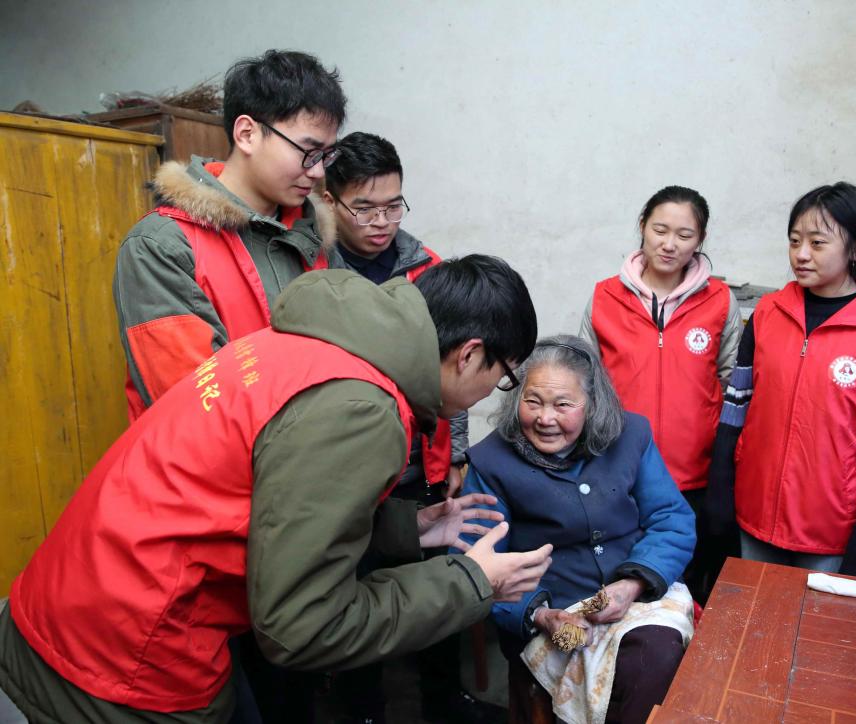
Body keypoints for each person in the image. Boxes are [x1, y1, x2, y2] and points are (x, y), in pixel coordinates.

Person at [0, 257, 553, 723]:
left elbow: (270, 500)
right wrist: (472, 582)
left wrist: (405, 527)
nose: (492, 393)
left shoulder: (312, 343)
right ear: (469, 354)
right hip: (126, 655)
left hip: (75, 594)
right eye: (504, 377)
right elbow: (303, 627)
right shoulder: (362, 407)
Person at [320, 133, 493, 723]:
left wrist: (457, 453)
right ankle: (364, 709)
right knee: (358, 590)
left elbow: (456, 372)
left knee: (436, 584)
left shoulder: (428, 268)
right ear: (330, 200)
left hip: (424, 461)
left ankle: (445, 702)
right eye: (365, 208)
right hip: (352, 465)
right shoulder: (316, 269)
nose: (381, 222)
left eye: (393, 206)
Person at [459, 335, 696, 724]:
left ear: (593, 404)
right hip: (550, 608)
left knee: (653, 658)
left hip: (636, 592)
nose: (545, 418)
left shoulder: (630, 435)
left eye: (562, 405)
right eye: (532, 401)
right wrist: (540, 614)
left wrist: (632, 584)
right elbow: (473, 562)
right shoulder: (492, 461)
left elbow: (672, 518)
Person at [113, 49, 347, 420]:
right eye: (308, 151)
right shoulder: (161, 247)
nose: (318, 172)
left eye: (326, 155)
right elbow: (198, 405)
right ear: (247, 134)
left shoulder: (314, 234)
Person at [705, 182, 856, 576]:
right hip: (755, 521)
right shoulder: (768, 314)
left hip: (833, 536)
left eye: (817, 243)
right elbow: (735, 411)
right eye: (794, 241)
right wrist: (721, 498)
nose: (801, 254)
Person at [581, 185, 741, 603]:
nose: (670, 244)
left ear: (700, 239)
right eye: (660, 230)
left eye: (684, 235)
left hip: (695, 474)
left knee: (686, 588)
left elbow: (732, 383)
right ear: (642, 227)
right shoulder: (604, 297)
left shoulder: (721, 301)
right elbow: (585, 382)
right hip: (619, 470)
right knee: (625, 585)